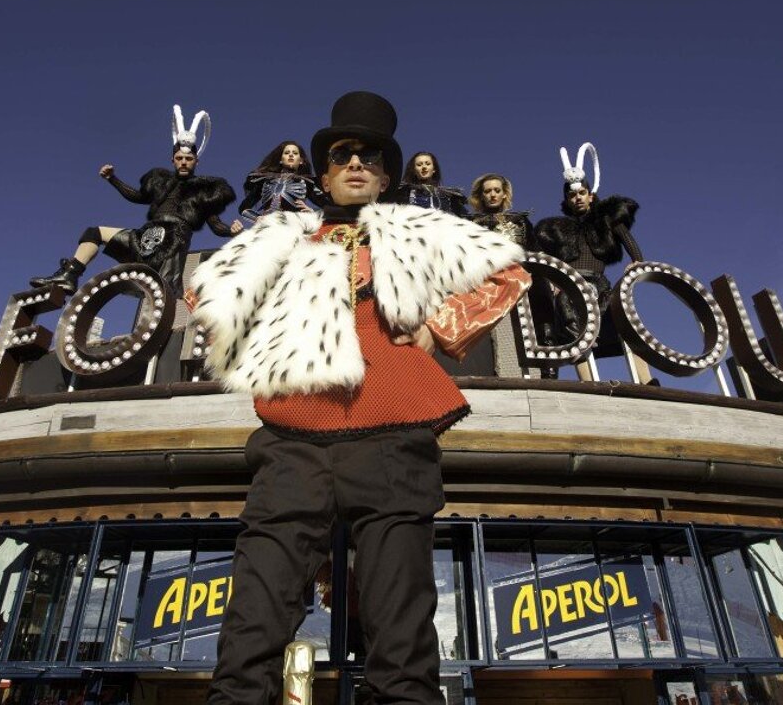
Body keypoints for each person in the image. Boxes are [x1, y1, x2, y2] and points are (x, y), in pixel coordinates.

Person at [190, 91, 531, 705]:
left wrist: (439, 327)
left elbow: (509, 271)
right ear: (322, 175)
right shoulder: (282, 235)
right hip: (292, 439)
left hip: (393, 434)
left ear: (386, 176)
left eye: (369, 156)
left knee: (400, 630)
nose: (355, 163)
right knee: (254, 616)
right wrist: (266, 331)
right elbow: (205, 291)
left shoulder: (418, 229)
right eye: (342, 154)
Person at [28, 106, 239, 296]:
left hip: (174, 244)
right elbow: (138, 196)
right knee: (94, 233)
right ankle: (69, 275)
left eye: (188, 159)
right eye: (179, 158)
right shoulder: (160, 182)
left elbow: (215, 224)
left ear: (196, 161)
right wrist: (113, 179)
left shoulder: (204, 191)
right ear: (173, 160)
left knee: (164, 294)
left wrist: (231, 230)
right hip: (145, 236)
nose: (184, 162)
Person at [533, 143, 650, 380]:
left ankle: (647, 381)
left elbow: (626, 238)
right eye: (572, 195)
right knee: (574, 331)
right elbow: (543, 257)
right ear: (567, 200)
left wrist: (637, 261)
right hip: (570, 286)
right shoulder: (556, 228)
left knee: (627, 326)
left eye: (581, 193)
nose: (577, 198)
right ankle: (589, 383)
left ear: (590, 195)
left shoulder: (605, 220)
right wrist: (551, 281)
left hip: (600, 285)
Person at [235, 140, 322, 225]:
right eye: (286, 153)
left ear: (301, 161)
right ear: (280, 159)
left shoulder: (308, 182)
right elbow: (243, 208)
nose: (291, 155)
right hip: (266, 226)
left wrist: (312, 212)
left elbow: (327, 206)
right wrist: (257, 218)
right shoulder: (265, 180)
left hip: (292, 226)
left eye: (295, 153)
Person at [468, 173, 536, 250]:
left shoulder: (519, 221)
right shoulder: (469, 222)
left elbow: (534, 251)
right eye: (487, 191)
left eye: (497, 191)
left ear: (504, 194)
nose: (493, 195)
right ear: (481, 196)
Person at [396, 151, 468, 215]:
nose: (424, 167)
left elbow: (466, 217)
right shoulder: (403, 192)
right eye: (419, 165)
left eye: (428, 164)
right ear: (414, 171)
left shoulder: (450, 196)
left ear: (434, 169)